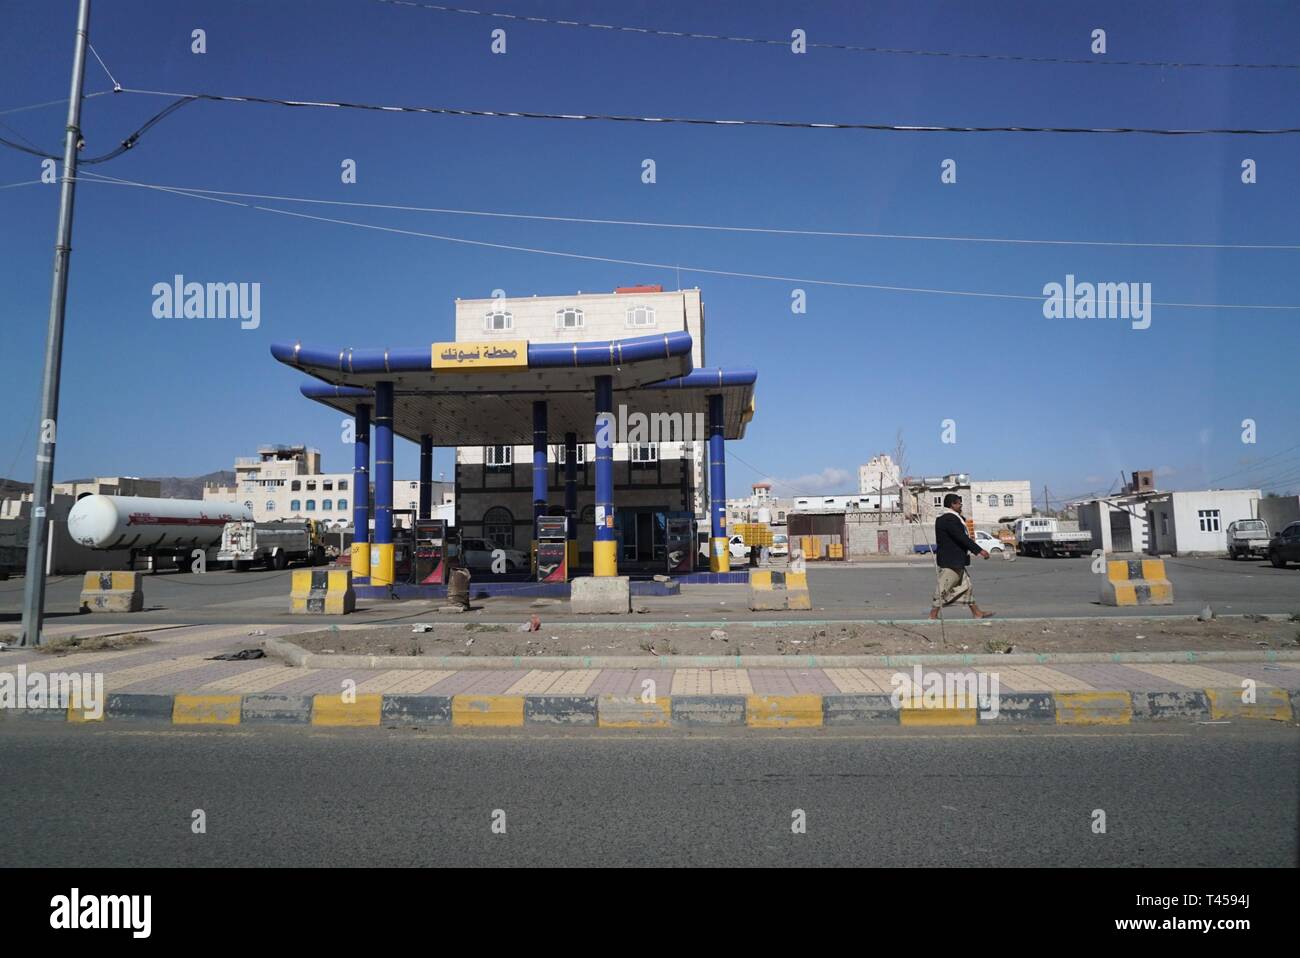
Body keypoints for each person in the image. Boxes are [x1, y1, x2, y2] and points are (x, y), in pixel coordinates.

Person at [929, 493, 995, 619]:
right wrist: (979, 550)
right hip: (950, 560)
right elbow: (961, 537)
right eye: (959, 503)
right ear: (952, 504)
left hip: (956, 560)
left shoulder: (954, 517)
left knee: (966, 586)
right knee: (944, 587)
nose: (961, 505)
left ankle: (977, 613)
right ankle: (933, 614)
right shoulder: (948, 518)